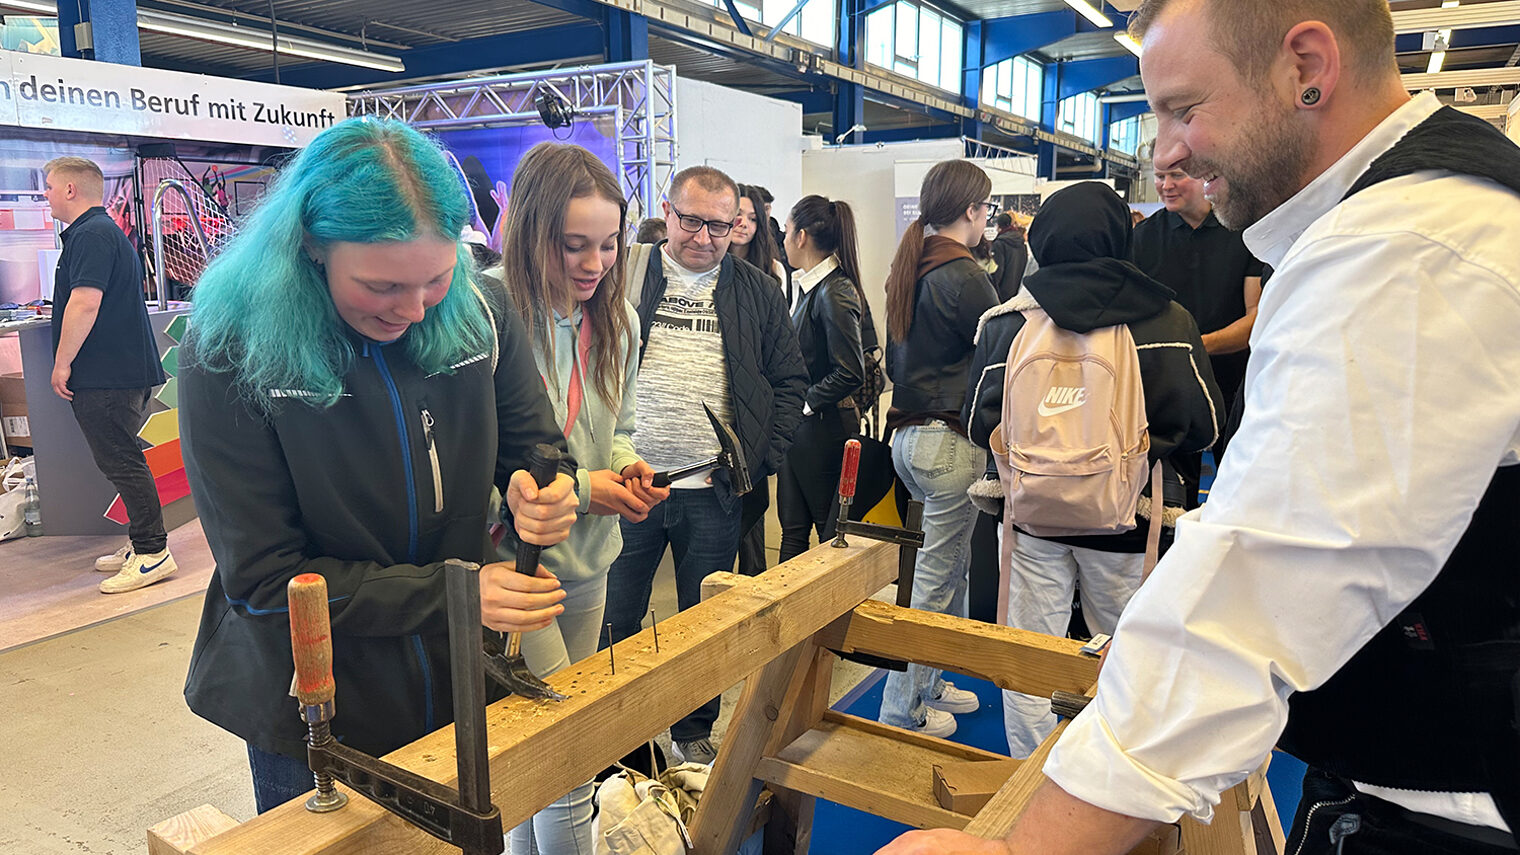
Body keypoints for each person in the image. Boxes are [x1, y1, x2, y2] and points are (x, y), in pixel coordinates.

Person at [877, 0, 1520, 852]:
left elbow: (1253, 595)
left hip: (1456, 807)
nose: (1166, 149)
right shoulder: (1405, 220)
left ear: (1307, 68)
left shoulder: (1406, 244)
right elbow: (1213, 444)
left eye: (1185, 107)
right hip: (1152, 547)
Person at [177, 118, 581, 815]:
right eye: (382, 286)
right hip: (319, 703)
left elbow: (539, 447)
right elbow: (268, 582)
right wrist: (455, 595)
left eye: (436, 278)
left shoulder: (481, 310)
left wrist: (543, 489)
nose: (416, 307)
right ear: (309, 245)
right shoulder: (229, 350)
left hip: (460, 681)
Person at [961, 181, 1223, 758]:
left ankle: (1030, 781)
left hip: (1031, 517)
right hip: (1133, 520)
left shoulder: (1006, 324)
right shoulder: (1165, 319)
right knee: (1130, 652)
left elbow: (977, 419)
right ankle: (1116, 783)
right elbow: (1203, 421)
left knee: (1032, 652)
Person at [489, 142, 669, 854]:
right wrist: (585, 486)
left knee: (550, 747)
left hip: (591, 557)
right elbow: (484, 458)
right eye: (573, 246)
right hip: (516, 563)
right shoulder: (489, 309)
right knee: (566, 756)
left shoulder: (616, 316)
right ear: (533, 233)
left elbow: (616, 426)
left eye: (607, 244)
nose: (593, 264)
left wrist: (626, 471)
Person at [604, 165, 808, 765]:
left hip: (713, 490)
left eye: (720, 225)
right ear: (666, 213)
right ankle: (614, 732)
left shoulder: (757, 291)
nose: (704, 236)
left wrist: (761, 457)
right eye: (691, 220)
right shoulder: (624, 276)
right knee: (615, 616)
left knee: (703, 621)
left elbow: (788, 379)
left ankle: (692, 729)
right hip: (628, 486)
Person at [880, 159, 1001, 738]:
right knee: (937, 578)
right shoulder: (965, 274)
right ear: (973, 211)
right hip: (947, 441)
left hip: (908, 436)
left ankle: (928, 685)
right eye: (986, 210)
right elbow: (998, 365)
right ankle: (903, 711)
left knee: (944, 573)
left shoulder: (912, 266)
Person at [41, 157, 174, 594]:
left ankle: (153, 552)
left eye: (49, 187)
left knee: (121, 458)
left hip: (107, 374)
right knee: (122, 457)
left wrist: (61, 363)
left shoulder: (92, 234)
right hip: (118, 371)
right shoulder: (98, 232)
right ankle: (143, 542)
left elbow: (85, 303)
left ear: (71, 190)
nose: (47, 195)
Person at [1132, 162, 1262, 478]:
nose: (1166, 185)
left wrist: (1194, 347)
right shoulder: (1142, 239)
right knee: (1170, 495)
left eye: (1177, 175)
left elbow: (1257, 318)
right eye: (1159, 177)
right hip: (1168, 388)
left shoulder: (1243, 231)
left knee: (1240, 479)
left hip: (1234, 385)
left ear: (1206, 174)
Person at [777, 194, 870, 561]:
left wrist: (804, 402)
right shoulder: (810, 287)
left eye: (785, 231)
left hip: (822, 430)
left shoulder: (835, 290)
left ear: (800, 236)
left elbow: (850, 371)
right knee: (793, 532)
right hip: (802, 431)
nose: (782, 241)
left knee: (828, 540)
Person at [729, 183, 789, 576]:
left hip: (754, 410)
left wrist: (773, 446)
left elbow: (782, 359)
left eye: (754, 218)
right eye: (738, 216)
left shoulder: (771, 274)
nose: (744, 225)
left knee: (751, 521)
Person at [987, 212, 1028, 301]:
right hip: (1018, 293)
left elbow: (997, 271)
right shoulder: (1021, 243)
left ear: (998, 226)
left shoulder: (999, 244)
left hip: (1002, 295)